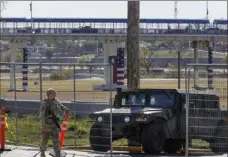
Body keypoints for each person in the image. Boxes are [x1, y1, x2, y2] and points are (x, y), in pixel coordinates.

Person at [39, 88, 69, 157]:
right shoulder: (44, 103)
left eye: (55, 94)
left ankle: (57, 153)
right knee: (44, 139)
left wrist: (66, 110)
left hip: (55, 125)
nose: (55, 95)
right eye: (53, 94)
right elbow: (42, 116)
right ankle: (42, 152)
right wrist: (42, 126)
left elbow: (61, 106)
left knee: (56, 140)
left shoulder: (56, 101)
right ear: (49, 95)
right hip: (47, 125)